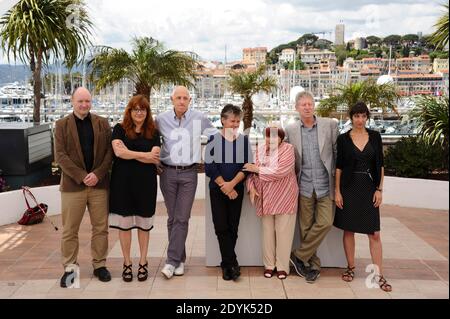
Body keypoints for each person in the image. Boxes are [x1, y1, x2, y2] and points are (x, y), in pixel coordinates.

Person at [54, 87, 113, 288]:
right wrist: (82, 176)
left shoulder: (102, 123)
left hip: (99, 184)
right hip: (73, 186)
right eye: (80, 101)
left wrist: (97, 174)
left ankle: (99, 265)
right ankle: (70, 269)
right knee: (70, 230)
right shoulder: (61, 125)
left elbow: (109, 153)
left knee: (101, 228)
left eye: (87, 101)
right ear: (72, 101)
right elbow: (60, 156)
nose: (84, 105)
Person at [155, 86, 215, 279]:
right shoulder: (161, 120)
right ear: (172, 100)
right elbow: (150, 141)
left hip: (189, 174)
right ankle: (179, 259)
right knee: (173, 218)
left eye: (185, 98)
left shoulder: (199, 118)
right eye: (178, 98)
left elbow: (216, 135)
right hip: (167, 173)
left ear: (190, 100)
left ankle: (171, 262)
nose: (181, 101)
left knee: (182, 217)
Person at [333, 102, 392, 292]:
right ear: (351, 117)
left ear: (367, 117)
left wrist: (379, 189)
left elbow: (380, 165)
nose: (360, 120)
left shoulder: (375, 137)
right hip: (348, 188)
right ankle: (350, 268)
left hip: (369, 188)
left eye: (363, 116)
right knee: (348, 230)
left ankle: (379, 274)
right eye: (356, 116)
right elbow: (339, 167)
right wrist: (337, 191)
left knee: (374, 233)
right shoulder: (343, 139)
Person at [285, 91, 339, 283]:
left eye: (310, 104)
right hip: (304, 185)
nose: (307, 107)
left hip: (326, 185)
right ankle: (312, 266)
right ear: (297, 108)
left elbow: (336, 153)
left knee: (325, 222)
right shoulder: (290, 129)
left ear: (314, 105)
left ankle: (298, 255)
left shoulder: (330, 125)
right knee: (305, 228)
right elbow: (286, 156)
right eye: (303, 105)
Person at [109, 95, 160, 282]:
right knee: (124, 225)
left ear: (147, 112)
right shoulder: (119, 129)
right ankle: (127, 262)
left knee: (143, 225)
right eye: (135, 109)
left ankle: (143, 262)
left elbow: (154, 157)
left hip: (145, 184)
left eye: (143, 109)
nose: (139, 112)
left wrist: (129, 154)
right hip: (122, 184)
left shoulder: (153, 132)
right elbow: (118, 152)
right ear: (129, 111)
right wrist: (144, 154)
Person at [204, 104, 253, 281]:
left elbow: (247, 166)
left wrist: (231, 184)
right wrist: (224, 186)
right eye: (232, 121)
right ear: (223, 120)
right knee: (221, 227)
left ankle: (227, 265)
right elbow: (210, 167)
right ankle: (231, 263)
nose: (235, 124)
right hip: (218, 190)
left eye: (238, 121)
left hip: (236, 190)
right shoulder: (213, 140)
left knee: (233, 227)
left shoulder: (244, 141)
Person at [244, 127, 298, 280]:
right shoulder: (260, 149)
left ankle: (282, 267)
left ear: (281, 138)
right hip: (265, 198)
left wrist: (257, 169)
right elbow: (250, 172)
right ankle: (269, 265)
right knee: (267, 234)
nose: (271, 140)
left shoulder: (288, 149)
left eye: (275, 137)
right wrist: (251, 188)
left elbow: (281, 171)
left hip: (285, 197)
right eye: (268, 136)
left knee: (284, 234)